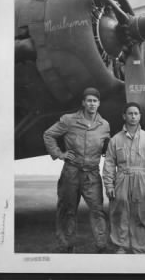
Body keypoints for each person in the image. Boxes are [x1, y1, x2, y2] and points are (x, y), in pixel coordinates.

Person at [43, 87, 110, 253]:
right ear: (83, 103)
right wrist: (59, 153)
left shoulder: (104, 125)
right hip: (71, 173)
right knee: (68, 210)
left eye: (95, 101)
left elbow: (106, 146)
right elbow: (48, 135)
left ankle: (101, 246)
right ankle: (66, 246)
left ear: (99, 103)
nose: (92, 104)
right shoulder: (69, 120)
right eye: (89, 100)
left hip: (92, 175)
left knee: (97, 211)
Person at [102, 102, 145, 254]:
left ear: (140, 116)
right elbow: (109, 164)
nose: (133, 116)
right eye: (130, 113)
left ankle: (139, 249)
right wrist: (109, 185)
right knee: (119, 214)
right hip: (122, 179)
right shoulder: (115, 139)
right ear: (124, 116)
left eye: (136, 113)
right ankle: (120, 246)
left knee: (140, 215)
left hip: (141, 179)